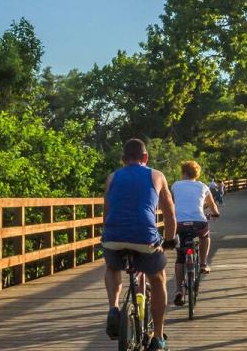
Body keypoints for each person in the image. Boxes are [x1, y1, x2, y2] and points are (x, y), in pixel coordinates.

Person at [102, 139, 177, 351]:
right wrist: (169, 240)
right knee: (158, 278)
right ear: (146, 157)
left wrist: (111, 236)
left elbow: (106, 214)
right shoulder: (157, 175)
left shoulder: (112, 177)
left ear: (123, 159)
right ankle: (158, 338)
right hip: (145, 238)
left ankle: (113, 309)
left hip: (113, 236)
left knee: (112, 267)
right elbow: (169, 213)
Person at [170, 161, 221, 306]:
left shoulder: (176, 185)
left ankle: (179, 290)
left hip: (179, 224)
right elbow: (212, 205)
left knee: (180, 257)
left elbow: (171, 203)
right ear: (196, 174)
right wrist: (216, 213)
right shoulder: (203, 186)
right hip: (198, 223)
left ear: (183, 173)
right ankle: (203, 263)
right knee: (205, 236)